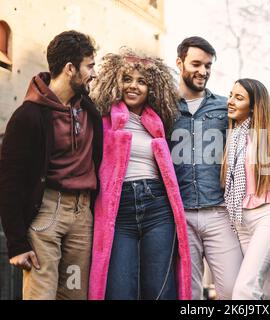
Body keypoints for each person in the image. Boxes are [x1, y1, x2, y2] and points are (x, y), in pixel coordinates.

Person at [0, 30, 102, 299]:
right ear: (70, 69)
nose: (95, 73)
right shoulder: (28, 116)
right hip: (47, 214)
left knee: (74, 295)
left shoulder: (90, 110)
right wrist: (16, 244)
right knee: (41, 295)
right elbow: (9, 181)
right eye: (89, 66)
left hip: (82, 219)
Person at [88, 50, 191, 300]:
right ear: (115, 82)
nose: (133, 86)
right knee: (119, 289)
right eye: (127, 79)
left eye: (141, 81)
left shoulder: (158, 122)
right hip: (119, 210)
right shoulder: (101, 120)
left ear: (152, 88)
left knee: (160, 290)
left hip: (158, 209)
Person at [170, 37, 243, 299]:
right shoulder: (163, 107)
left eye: (208, 65)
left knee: (235, 291)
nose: (203, 71)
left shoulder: (225, 106)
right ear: (179, 63)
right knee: (187, 294)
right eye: (196, 64)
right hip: (180, 214)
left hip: (219, 212)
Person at [221, 78, 270, 300]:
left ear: (253, 105)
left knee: (244, 290)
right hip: (240, 222)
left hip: (267, 215)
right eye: (231, 95)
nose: (230, 101)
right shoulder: (232, 136)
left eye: (238, 98)